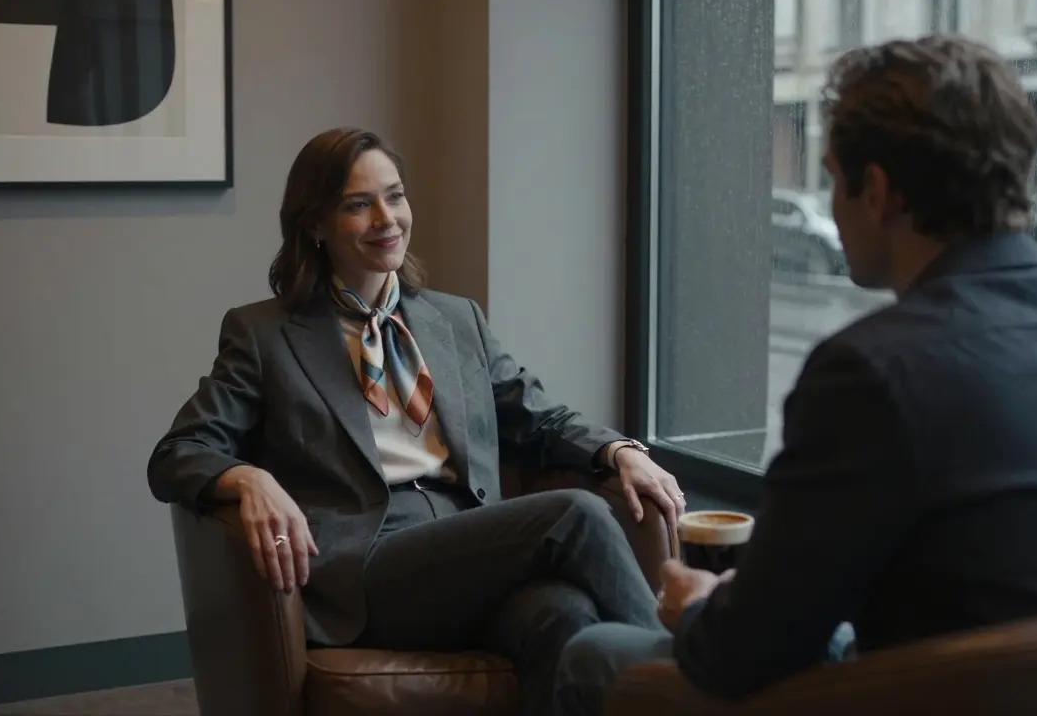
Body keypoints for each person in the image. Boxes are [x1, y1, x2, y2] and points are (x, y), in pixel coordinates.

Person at [553, 34, 1037, 714]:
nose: (833, 208)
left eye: (835, 179)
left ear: (878, 191)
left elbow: (739, 656)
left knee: (591, 655)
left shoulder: (871, 373)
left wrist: (696, 609)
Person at [147, 127, 684, 715]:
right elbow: (178, 451)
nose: (387, 219)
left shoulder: (456, 320)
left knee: (563, 615)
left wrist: (618, 451)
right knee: (576, 514)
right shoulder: (266, 335)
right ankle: (688, 689)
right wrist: (247, 478)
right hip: (365, 570)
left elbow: (539, 417)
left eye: (395, 196)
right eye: (359, 204)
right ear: (315, 224)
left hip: (470, 549)